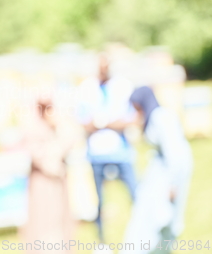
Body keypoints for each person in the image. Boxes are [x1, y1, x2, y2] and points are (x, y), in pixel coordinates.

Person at [121, 87, 193, 254]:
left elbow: (174, 153)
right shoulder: (154, 117)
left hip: (172, 172)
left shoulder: (161, 117)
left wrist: (173, 184)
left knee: (163, 214)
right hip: (162, 171)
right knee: (150, 213)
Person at [76, 54, 137, 243]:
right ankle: (102, 241)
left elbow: (131, 118)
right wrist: (98, 124)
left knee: (135, 195)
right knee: (99, 201)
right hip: (97, 153)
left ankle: (141, 235)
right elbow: (82, 120)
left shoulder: (123, 86)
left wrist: (107, 123)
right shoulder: (86, 88)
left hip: (121, 152)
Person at [19, 98, 75, 254]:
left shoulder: (58, 126)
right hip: (41, 182)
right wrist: (51, 164)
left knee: (58, 219)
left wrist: (58, 126)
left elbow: (70, 140)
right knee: (42, 220)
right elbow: (36, 154)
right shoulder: (32, 126)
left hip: (57, 183)